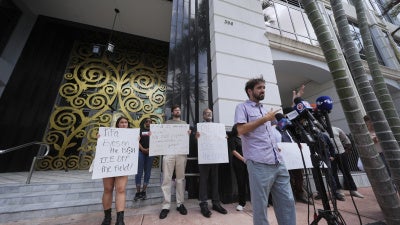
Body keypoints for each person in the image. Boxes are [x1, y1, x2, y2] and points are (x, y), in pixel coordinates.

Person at [234, 76, 296, 225]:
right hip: (258, 162)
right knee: (260, 206)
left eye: (264, 88)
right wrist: (265, 119)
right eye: (259, 88)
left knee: (287, 201)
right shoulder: (242, 108)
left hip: (277, 161)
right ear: (250, 91)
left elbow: (275, 128)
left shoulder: (265, 109)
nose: (263, 90)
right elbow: (240, 130)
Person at [195, 108, 227, 218]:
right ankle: (203, 204)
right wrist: (196, 137)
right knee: (203, 181)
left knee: (215, 180)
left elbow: (220, 140)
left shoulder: (217, 127)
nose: (209, 115)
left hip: (215, 158)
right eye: (207, 113)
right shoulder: (198, 126)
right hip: (204, 158)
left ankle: (216, 203)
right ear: (203, 116)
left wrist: (224, 138)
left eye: (210, 113)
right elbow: (195, 142)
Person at [159, 105, 189, 219]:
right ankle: (165, 206)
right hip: (169, 152)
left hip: (181, 152)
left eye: (179, 110)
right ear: (172, 112)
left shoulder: (184, 123)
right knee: (166, 179)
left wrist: (189, 133)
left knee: (180, 179)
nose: (177, 111)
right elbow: (160, 136)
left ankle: (180, 204)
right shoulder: (166, 123)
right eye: (175, 110)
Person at [100, 116, 130, 225]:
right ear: (117, 124)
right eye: (121, 122)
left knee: (121, 189)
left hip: (122, 165)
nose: (123, 124)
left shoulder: (131, 136)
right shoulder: (108, 134)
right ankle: (107, 217)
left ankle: (120, 219)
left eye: (126, 122)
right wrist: (100, 138)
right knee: (108, 188)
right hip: (109, 164)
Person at [276, 111, 311, 204]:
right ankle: (291, 196)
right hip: (283, 157)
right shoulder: (275, 131)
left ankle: (301, 194)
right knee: (288, 177)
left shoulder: (288, 130)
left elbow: (294, 140)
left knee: (299, 176)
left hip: (294, 156)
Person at [330, 126, 364, 198]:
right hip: (330, 155)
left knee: (346, 172)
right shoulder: (320, 131)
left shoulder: (336, 129)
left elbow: (346, 139)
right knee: (333, 173)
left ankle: (353, 190)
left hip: (341, 153)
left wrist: (347, 150)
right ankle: (338, 190)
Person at [228, 124, 249, 211]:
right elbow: (233, 151)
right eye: (239, 128)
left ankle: (257, 202)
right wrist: (244, 159)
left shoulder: (246, 137)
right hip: (239, 163)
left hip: (250, 162)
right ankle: (242, 203)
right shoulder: (232, 139)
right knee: (241, 183)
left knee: (252, 183)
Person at [134, 118, 155, 201]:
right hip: (141, 152)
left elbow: (158, 141)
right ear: (144, 123)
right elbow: (136, 141)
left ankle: (144, 191)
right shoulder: (140, 130)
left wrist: (150, 149)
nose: (148, 123)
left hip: (151, 152)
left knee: (148, 171)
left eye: (150, 122)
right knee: (139, 171)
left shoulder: (155, 131)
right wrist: (142, 149)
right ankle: (138, 192)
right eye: (147, 122)